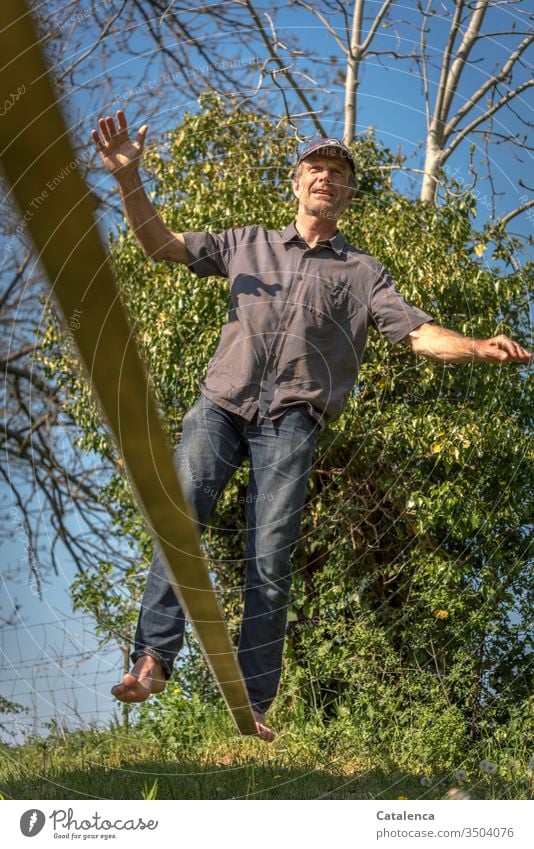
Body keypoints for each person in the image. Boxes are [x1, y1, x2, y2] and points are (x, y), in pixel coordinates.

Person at [92, 111, 531, 742]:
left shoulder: (363, 274)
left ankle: (253, 703)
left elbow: (418, 335)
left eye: (338, 174)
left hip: (292, 422)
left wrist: (478, 347)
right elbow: (159, 244)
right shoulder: (246, 243)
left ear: (348, 195)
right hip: (221, 405)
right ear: (297, 185)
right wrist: (129, 179)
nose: (326, 179)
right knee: (180, 510)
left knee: (269, 557)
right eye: (316, 170)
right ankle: (154, 658)